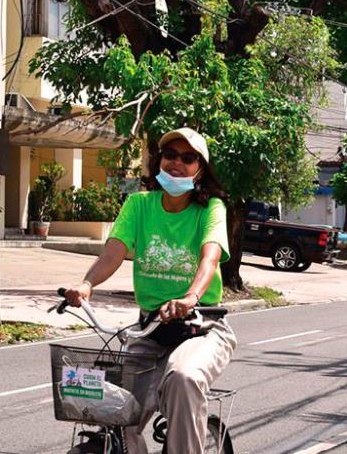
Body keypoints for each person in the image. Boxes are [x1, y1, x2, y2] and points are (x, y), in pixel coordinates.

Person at [63, 127, 237, 454]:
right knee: (116, 412)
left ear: (200, 169)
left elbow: (210, 257)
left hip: (202, 327)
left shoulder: (211, 208)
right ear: (159, 160)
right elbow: (113, 252)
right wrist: (86, 285)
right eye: (170, 155)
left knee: (184, 377)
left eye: (188, 158)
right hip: (149, 330)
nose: (177, 163)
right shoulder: (139, 205)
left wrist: (190, 297)